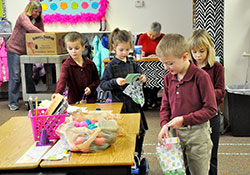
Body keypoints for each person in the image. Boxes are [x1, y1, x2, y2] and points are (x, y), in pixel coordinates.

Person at [156, 33, 217, 175]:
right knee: (174, 171)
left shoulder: (201, 77)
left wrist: (184, 119)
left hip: (198, 134)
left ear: (185, 57)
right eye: (163, 63)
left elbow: (211, 109)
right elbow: (165, 106)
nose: (166, 67)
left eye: (170, 63)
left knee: (199, 171)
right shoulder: (168, 78)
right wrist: (164, 124)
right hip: (175, 133)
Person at [100, 28, 148, 158]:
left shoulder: (132, 62)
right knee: (123, 134)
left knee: (139, 132)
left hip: (134, 104)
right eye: (121, 50)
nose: (124, 53)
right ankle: (126, 158)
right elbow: (103, 85)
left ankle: (137, 155)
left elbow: (140, 75)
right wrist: (115, 82)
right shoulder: (111, 66)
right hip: (120, 106)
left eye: (127, 50)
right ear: (114, 47)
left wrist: (142, 78)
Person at [188, 29, 225, 175]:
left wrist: (202, 94)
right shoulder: (188, 68)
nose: (198, 56)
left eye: (202, 51)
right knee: (192, 156)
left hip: (211, 117)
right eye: (194, 52)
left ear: (209, 49)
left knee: (211, 155)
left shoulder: (217, 68)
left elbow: (221, 93)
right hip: (193, 117)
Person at [6, 0, 44, 111]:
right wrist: (44, 34)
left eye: (39, 12)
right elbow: (31, 29)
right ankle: (13, 102)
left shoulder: (38, 20)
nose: (36, 14)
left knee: (28, 76)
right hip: (14, 49)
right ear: (29, 9)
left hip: (27, 51)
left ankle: (30, 101)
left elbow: (41, 31)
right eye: (35, 11)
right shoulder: (23, 17)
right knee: (15, 77)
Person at [54, 32, 100, 104]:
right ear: (67, 49)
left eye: (77, 48)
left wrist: (91, 88)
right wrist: (58, 93)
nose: (74, 51)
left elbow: (97, 80)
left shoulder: (90, 64)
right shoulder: (66, 65)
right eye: (70, 49)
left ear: (83, 47)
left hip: (91, 101)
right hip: (74, 102)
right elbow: (62, 80)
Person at [138, 22, 165, 109]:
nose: (151, 37)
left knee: (161, 77)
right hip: (145, 64)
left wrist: (156, 55)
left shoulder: (163, 37)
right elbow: (139, 51)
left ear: (159, 33)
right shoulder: (143, 37)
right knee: (145, 78)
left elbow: (166, 51)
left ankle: (153, 96)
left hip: (159, 64)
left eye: (154, 36)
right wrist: (142, 54)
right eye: (150, 34)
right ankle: (148, 99)